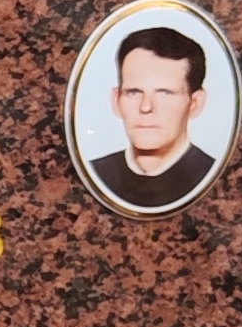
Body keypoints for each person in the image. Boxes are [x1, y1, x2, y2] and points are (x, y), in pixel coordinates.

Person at [86, 21, 219, 210]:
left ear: (195, 103)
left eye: (165, 93)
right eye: (134, 92)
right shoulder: (93, 176)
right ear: (116, 100)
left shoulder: (218, 180)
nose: (146, 107)